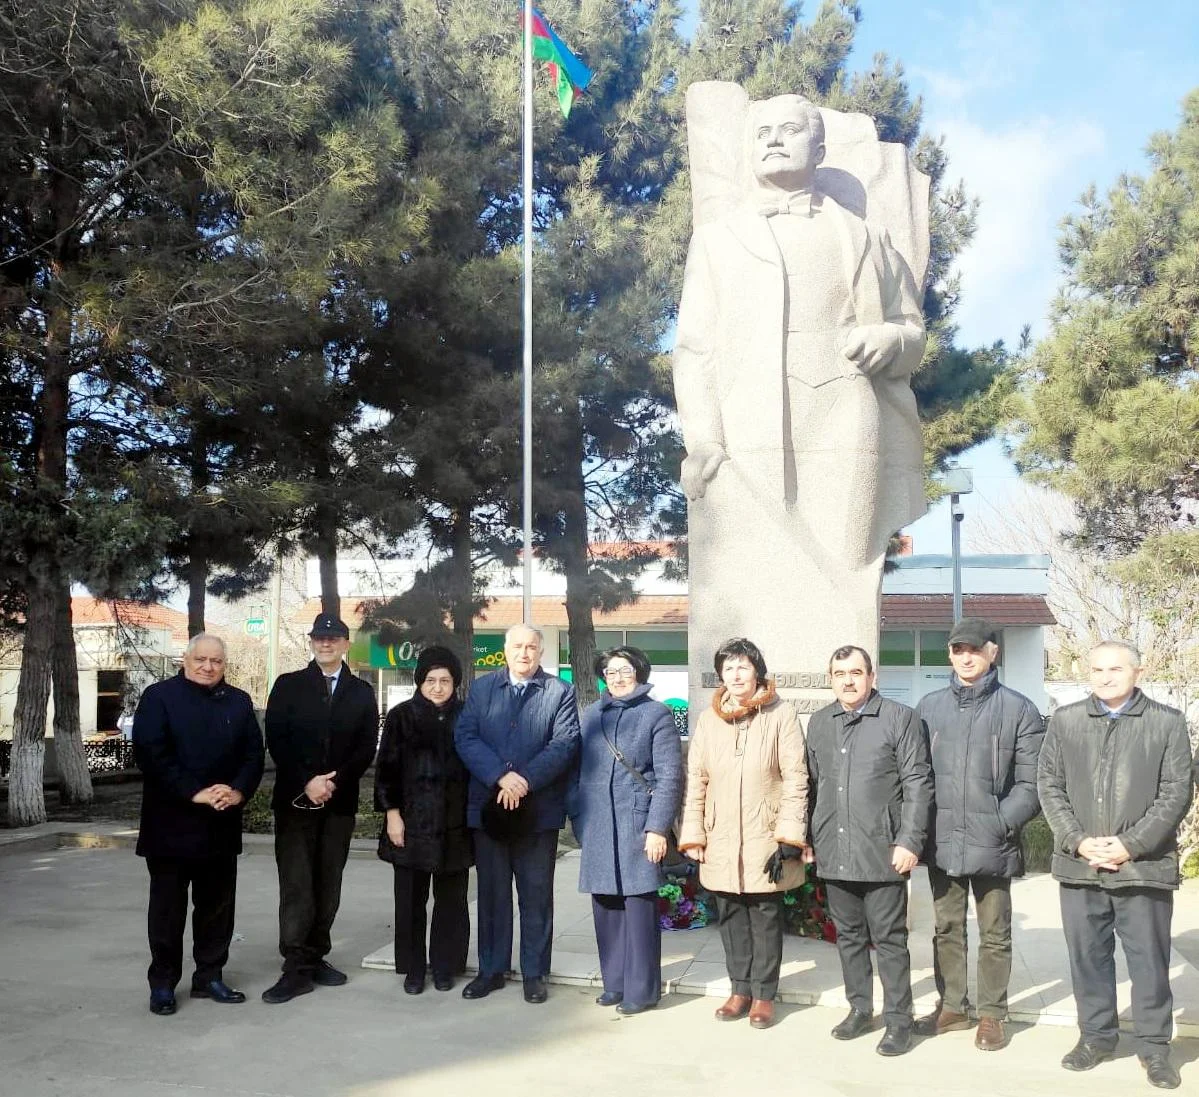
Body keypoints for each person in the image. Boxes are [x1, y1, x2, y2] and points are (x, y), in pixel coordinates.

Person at [673, 91, 927, 683]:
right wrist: (703, 437)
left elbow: (912, 332)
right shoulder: (717, 240)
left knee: (846, 564)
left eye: (789, 129)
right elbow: (693, 350)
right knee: (751, 568)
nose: (773, 139)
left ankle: (838, 692)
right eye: (761, 131)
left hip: (847, 415)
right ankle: (745, 688)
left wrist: (889, 340)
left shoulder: (866, 239)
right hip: (748, 425)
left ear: (819, 147)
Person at [1038, 640, 1194, 1091]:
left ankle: (1154, 1048)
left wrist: (1130, 844)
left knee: (1149, 963)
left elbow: (1176, 792)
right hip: (1080, 866)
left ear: (1137, 672)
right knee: (1088, 959)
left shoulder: (1166, 723)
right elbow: (1049, 785)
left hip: (1143, 868)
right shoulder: (1067, 721)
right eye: (1096, 669)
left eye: (1115, 669)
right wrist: (1078, 840)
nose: (1105, 677)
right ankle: (1097, 1037)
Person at [914, 617, 1045, 1051]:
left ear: (993, 652)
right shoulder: (929, 707)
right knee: (947, 927)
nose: (965, 657)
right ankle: (952, 1006)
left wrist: (1000, 822)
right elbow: (916, 777)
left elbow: (1033, 783)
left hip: (994, 842)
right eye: (957, 649)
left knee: (995, 933)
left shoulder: (1019, 709)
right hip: (943, 838)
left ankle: (991, 1014)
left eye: (973, 648)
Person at [805, 644, 932, 1057]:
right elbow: (814, 785)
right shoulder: (821, 723)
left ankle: (899, 1020)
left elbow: (918, 784)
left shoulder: (900, 719)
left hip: (882, 851)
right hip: (834, 850)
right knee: (848, 937)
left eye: (856, 672)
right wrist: (809, 839)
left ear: (871, 677)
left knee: (890, 940)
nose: (848, 680)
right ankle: (859, 1008)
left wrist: (909, 841)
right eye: (839, 673)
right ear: (831, 678)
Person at [677, 637, 808, 1031]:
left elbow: (796, 777)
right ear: (721, 674)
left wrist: (788, 835)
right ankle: (739, 989)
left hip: (764, 834)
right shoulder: (708, 719)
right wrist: (694, 834)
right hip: (720, 836)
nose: (736, 675)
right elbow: (696, 779)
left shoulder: (781, 714)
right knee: (731, 913)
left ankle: (764, 995)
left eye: (743, 667)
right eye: (728, 668)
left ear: (757, 672)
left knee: (765, 915)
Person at [133, 633, 264, 1016]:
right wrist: (195, 793)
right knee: (167, 912)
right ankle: (163, 985)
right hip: (170, 824)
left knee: (217, 909)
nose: (208, 667)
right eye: (201, 660)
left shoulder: (238, 702)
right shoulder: (159, 698)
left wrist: (239, 791)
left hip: (221, 824)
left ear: (225, 665)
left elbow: (253, 755)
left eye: (217, 662)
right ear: (185, 660)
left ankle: (210, 976)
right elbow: (152, 754)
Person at [454, 624, 580, 1004]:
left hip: (537, 812)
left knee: (536, 895)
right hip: (490, 810)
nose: (524, 653)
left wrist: (523, 780)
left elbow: (565, 742)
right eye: (517, 647)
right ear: (505, 650)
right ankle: (491, 970)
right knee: (492, 894)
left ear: (541, 652)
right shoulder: (481, 689)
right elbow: (466, 737)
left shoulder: (560, 692)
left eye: (532, 647)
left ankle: (534, 973)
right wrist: (500, 776)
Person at [261, 613, 379, 1004]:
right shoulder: (289, 685)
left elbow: (365, 746)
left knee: (328, 884)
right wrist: (308, 781)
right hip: (296, 802)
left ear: (346, 644)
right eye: (319, 637)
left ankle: (316, 956)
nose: (325, 643)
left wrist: (333, 783)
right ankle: (295, 965)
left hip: (338, 802)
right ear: (311, 642)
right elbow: (277, 739)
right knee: (297, 884)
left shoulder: (361, 692)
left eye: (333, 638)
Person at [571, 646, 683, 1015]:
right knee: (605, 906)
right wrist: (579, 818)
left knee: (638, 907)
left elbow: (669, 777)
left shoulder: (657, 714)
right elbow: (577, 772)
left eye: (625, 670)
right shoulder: (591, 715)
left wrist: (657, 828)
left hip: (638, 823)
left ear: (640, 672)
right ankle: (614, 983)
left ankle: (643, 989)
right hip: (598, 823)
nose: (617, 678)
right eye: (610, 671)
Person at [374, 646, 471, 994]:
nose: (438, 687)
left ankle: (446, 966)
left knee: (451, 902)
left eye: (445, 680)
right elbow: (386, 770)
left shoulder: (467, 715)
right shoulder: (402, 716)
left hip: (454, 826)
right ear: (420, 681)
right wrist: (392, 815)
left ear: (455, 683)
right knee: (411, 901)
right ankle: (414, 969)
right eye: (431, 680)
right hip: (411, 823)